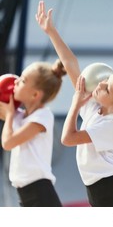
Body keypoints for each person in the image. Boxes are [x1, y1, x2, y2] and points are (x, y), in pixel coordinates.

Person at [36, 0, 113, 207]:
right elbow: (71, 65)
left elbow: (68, 138)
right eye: (106, 80)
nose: (101, 83)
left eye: (108, 87)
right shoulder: (96, 108)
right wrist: (51, 31)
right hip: (99, 191)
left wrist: (76, 104)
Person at [0, 60, 65, 207]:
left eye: (22, 80)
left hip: (41, 195)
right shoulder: (19, 116)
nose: (15, 81)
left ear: (35, 94)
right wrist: (10, 114)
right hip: (25, 195)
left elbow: (8, 142)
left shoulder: (42, 117)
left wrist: (9, 115)